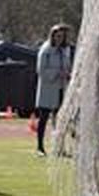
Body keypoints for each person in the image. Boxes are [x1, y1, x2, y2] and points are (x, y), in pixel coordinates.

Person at [35, 24, 73, 156]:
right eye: (57, 36)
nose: (60, 39)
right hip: (47, 89)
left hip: (61, 88)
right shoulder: (46, 50)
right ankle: (40, 147)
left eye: (62, 37)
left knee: (60, 119)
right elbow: (41, 70)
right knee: (44, 118)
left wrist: (68, 74)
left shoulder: (65, 50)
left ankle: (59, 147)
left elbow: (67, 66)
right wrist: (56, 73)